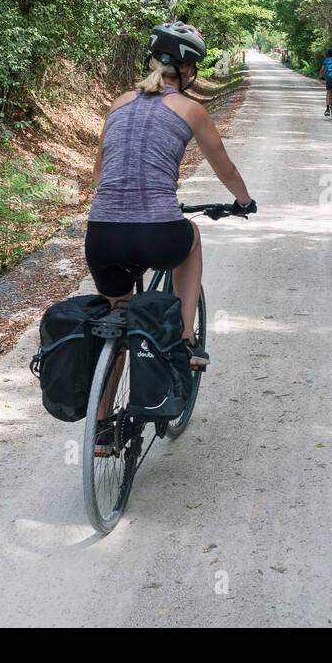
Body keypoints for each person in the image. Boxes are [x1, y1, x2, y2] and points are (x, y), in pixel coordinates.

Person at [86, 20, 256, 415]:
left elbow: (99, 172)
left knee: (120, 316)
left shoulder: (118, 101)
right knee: (191, 235)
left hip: (102, 235)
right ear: (190, 71)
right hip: (158, 233)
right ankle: (183, 337)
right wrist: (244, 202)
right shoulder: (192, 109)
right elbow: (225, 169)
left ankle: (102, 427)